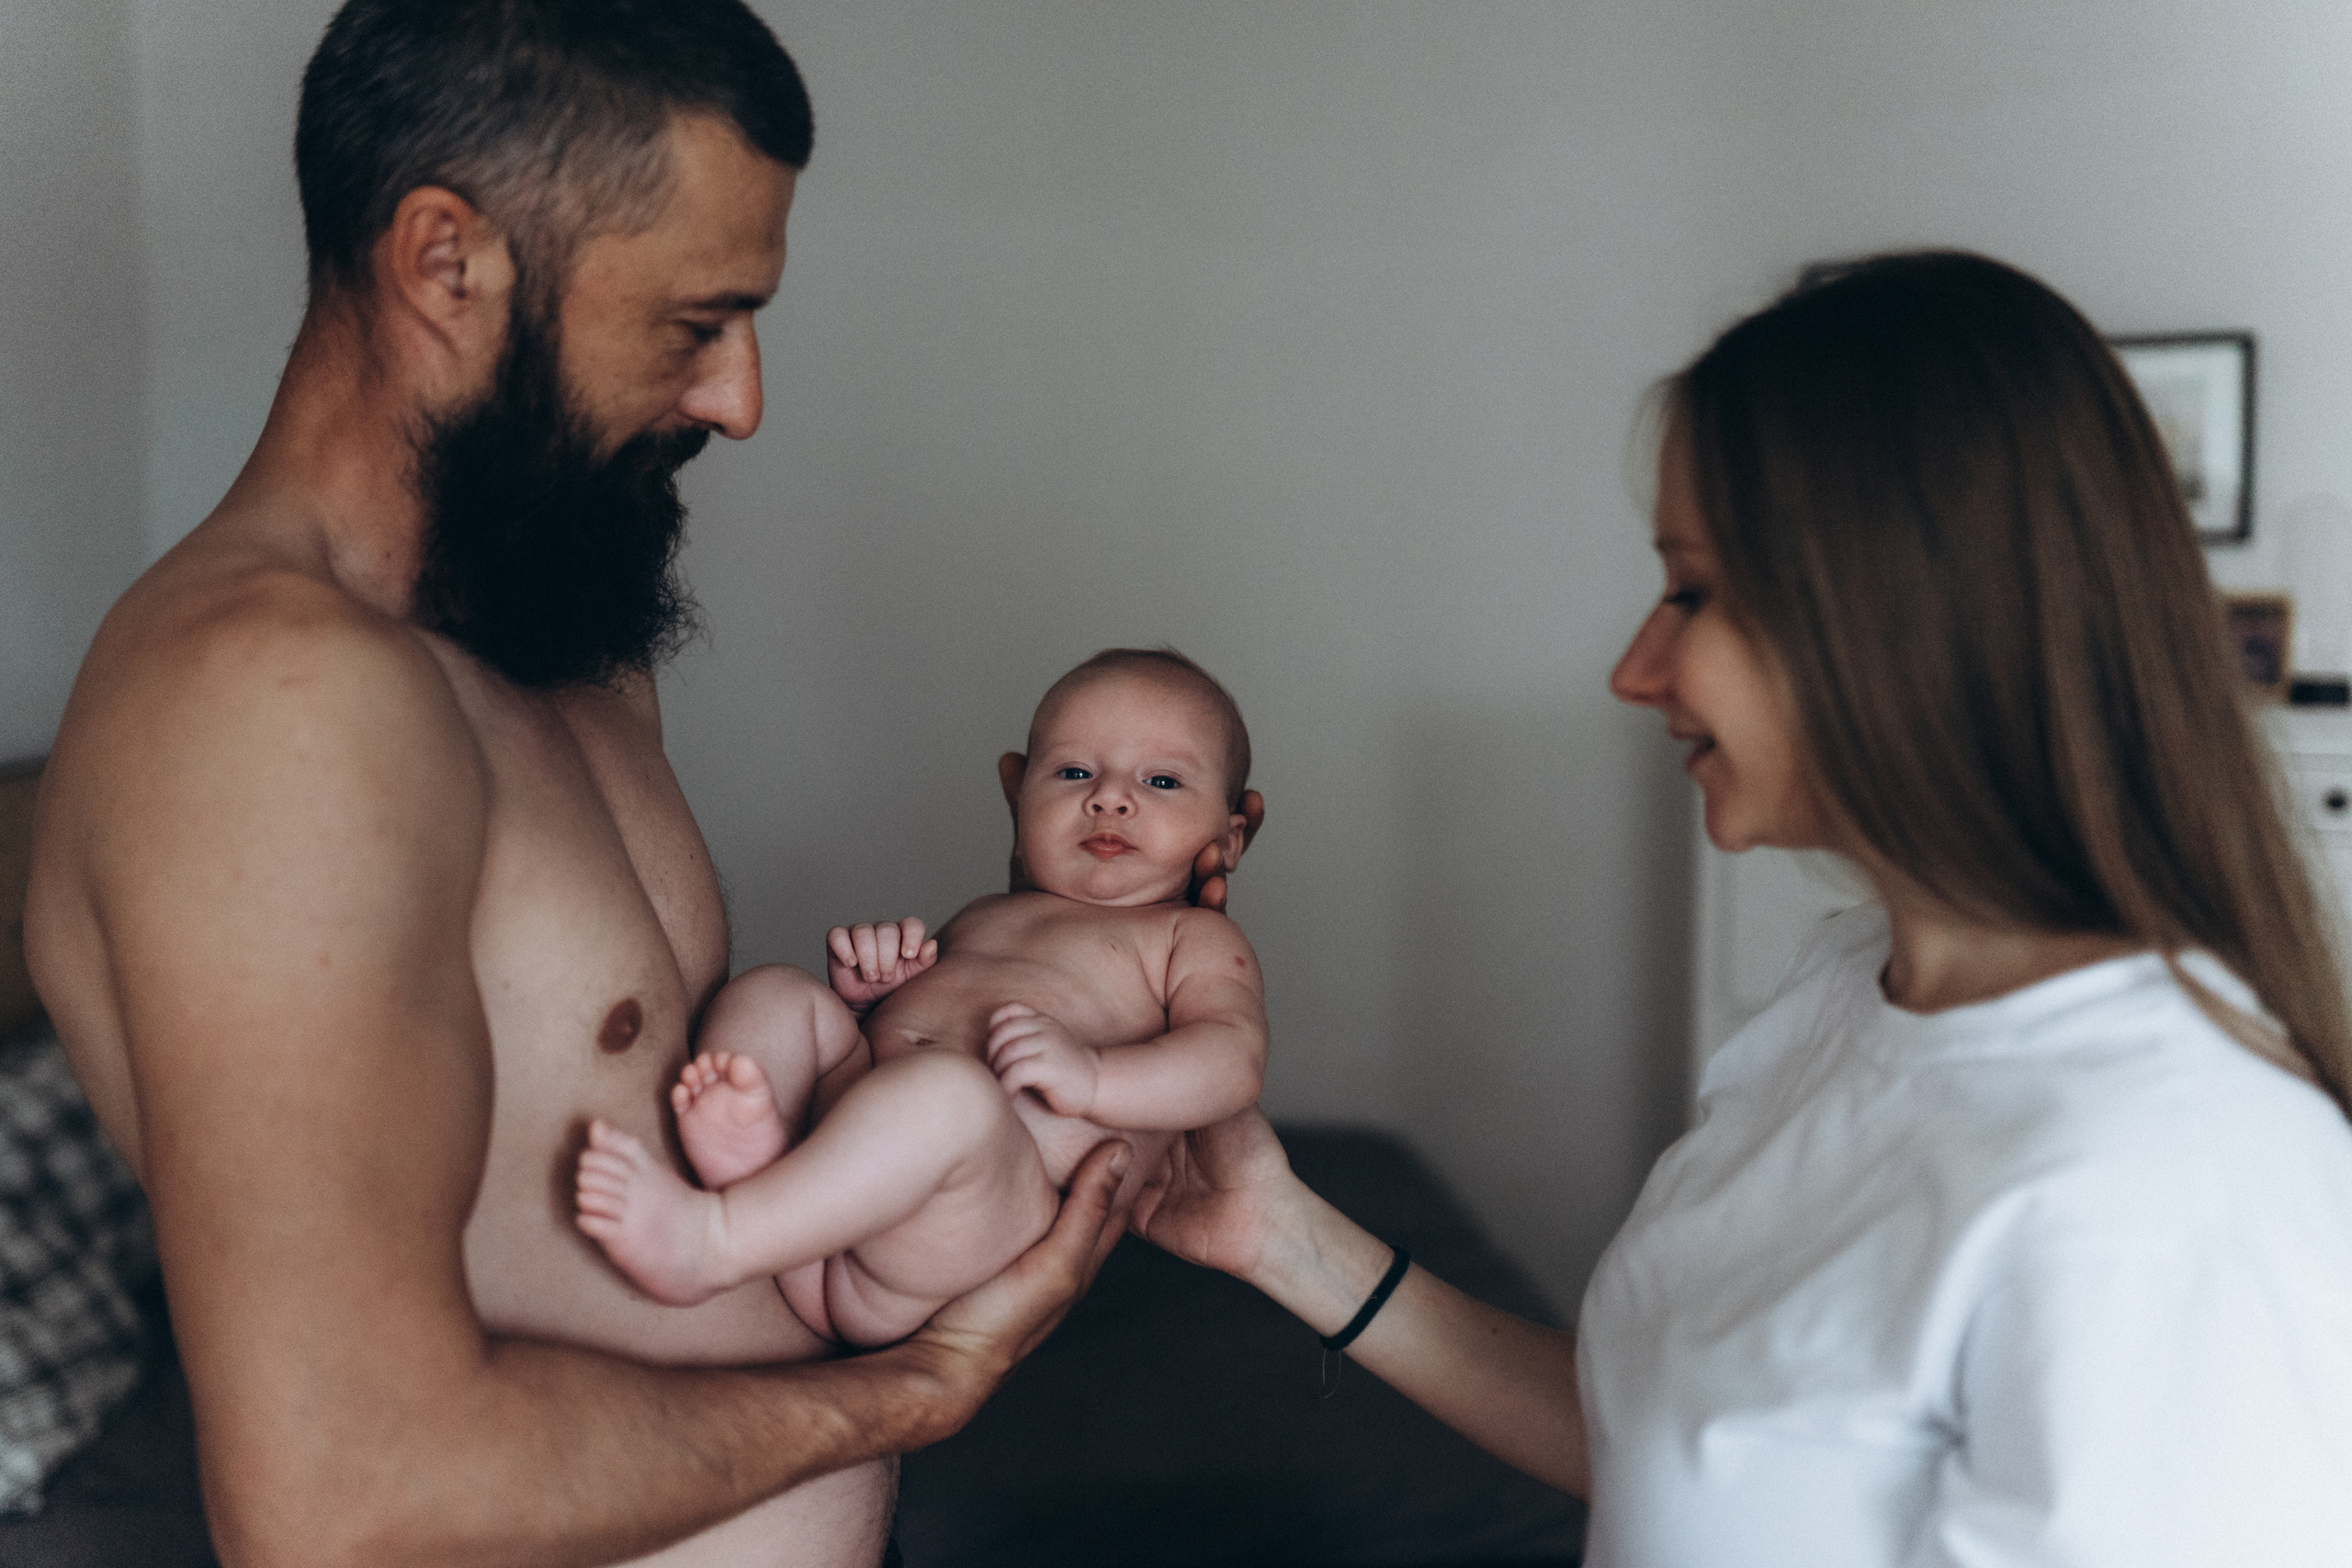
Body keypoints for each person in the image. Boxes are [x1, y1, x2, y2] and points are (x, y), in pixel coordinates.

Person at [21, 5, 1250, 1564]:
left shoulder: (555, 641)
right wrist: (917, 1386)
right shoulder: (271, 700)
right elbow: (344, 1501)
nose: (740, 400)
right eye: (694, 323)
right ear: (445, 262)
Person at [1135, 251, 2352, 1566]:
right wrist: (1284, 1234)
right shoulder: (1849, 997)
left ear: (1903, 612)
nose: (1633, 668)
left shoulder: (2171, 1190)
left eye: (1693, 590)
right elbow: (1690, 1451)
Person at [576, 649, 1267, 1348]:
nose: (1111, 797)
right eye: (1075, 771)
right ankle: (757, 1165)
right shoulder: (987, 913)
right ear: (1016, 793)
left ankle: (715, 1241)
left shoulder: (1190, 938)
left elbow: (1233, 1059)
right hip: (841, 1181)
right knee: (777, 993)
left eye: (1163, 780)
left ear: (1229, 835)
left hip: (952, 1232)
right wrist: (866, 1002)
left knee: (951, 1096)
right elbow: (911, 1034)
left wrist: (1093, 1075)